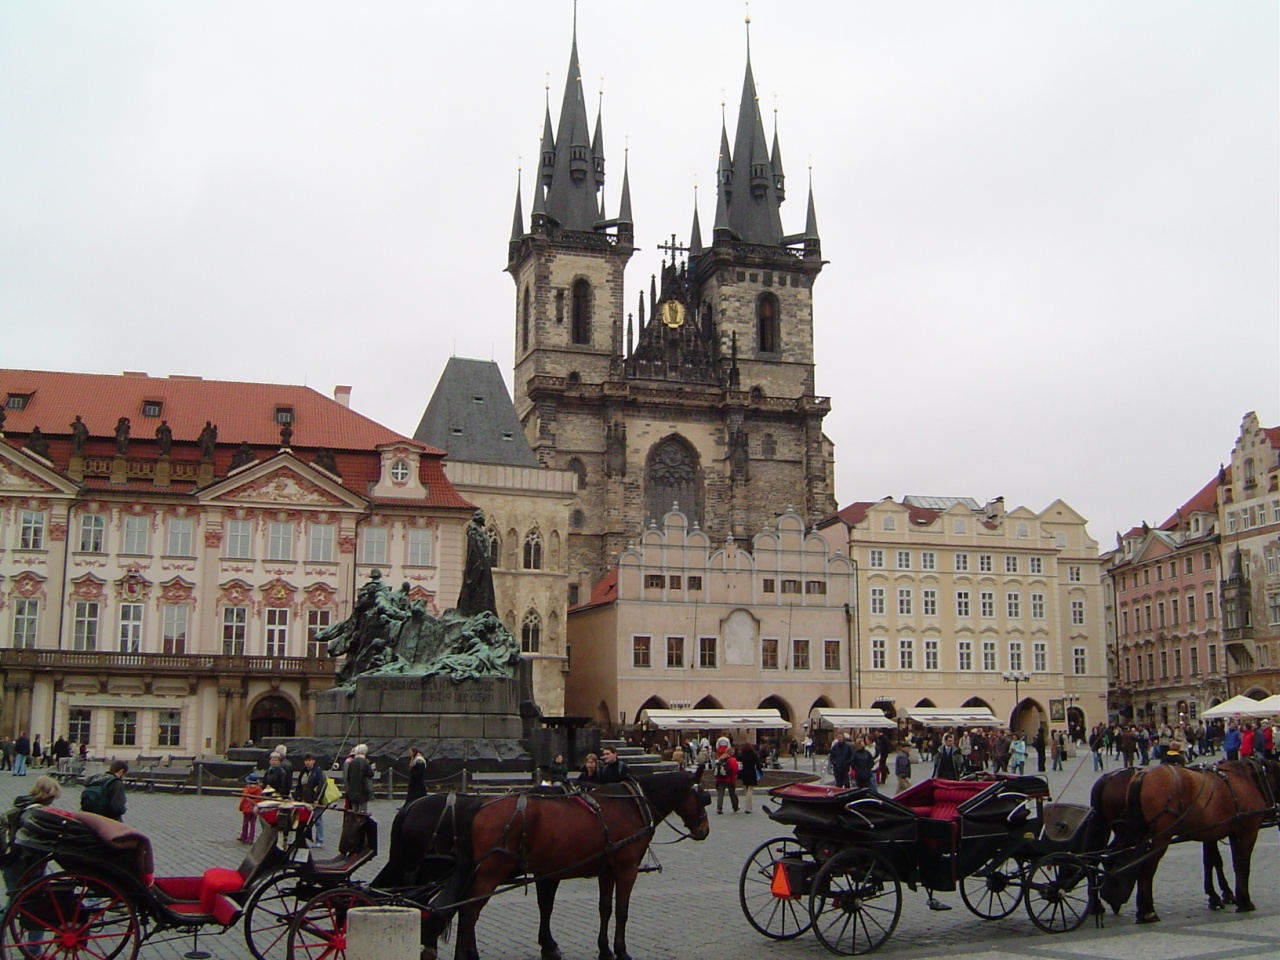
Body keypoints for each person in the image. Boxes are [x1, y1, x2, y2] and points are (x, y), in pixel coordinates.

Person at [2, 776, 62, 898]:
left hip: (11, 860)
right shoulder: (35, 813)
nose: (52, 801)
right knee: (17, 900)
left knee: (16, 897)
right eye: (52, 798)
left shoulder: (23, 806)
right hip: (20, 863)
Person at [295, 754, 329, 846]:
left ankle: (320, 840)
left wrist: (317, 798)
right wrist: (297, 797)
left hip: (315, 799)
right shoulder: (303, 771)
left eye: (310, 760)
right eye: (306, 760)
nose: (308, 762)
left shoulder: (318, 771)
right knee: (305, 820)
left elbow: (322, 785)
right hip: (305, 799)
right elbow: (299, 786)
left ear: (314, 761)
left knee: (318, 820)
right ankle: (305, 839)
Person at [343, 744, 375, 814]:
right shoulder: (365, 762)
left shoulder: (351, 762)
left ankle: (354, 824)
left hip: (353, 790)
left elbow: (348, 776)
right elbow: (371, 774)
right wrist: (372, 768)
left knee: (354, 810)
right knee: (362, 811)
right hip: (363, 790)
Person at [713, 742, 739, 814]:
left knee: (720, 793)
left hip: (720, 778)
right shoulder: (732, 760)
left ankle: (719, 808)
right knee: (732, 793)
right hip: (729, 779)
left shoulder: (720, 759)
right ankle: (735, 807)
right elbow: (735, 770)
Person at [238, 774, 264, 844]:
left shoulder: (246, 789)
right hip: (254, 808)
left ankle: (243, 837)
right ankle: (251, 838)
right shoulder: (259, 789)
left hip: (246, 808)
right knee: (253, 824)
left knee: (245, 823)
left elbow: (243, 799)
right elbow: (259, 799)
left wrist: (240, 807)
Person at [737, 742, 761, 814]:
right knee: (750, 790)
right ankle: (748, 807)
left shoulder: (742, 755)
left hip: (744, 773)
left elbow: (737, 759)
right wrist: (760, 772)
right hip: (751, 773)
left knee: (746, 789)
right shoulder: (754, 755)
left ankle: (748, 806)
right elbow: (758, 764)